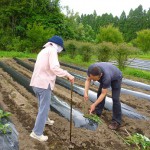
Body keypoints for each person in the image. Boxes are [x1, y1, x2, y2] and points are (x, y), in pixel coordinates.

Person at [30, 35, 75, 142]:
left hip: (36, 83)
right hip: (44, 84)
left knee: (42, 104)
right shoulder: (52, 51)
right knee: (44, 108)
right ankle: (36, 133)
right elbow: (54, 67)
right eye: (61, 48)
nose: (60, 51)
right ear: (58, 45)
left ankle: (45, 120)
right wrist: (67, 74)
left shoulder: (44, 51)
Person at [84, 62, 122, 130]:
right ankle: (98, 112)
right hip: (107, 72)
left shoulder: (106, 78)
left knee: (115, 99)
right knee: (99, 93)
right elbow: (88, 80)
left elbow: (104, 93)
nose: (93, 80)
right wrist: (85, 93)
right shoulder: (91, 69)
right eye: (92, 78)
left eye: (95, 79)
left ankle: (116, 121)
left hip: (116, 77)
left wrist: (94, 104)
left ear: (100, 75)